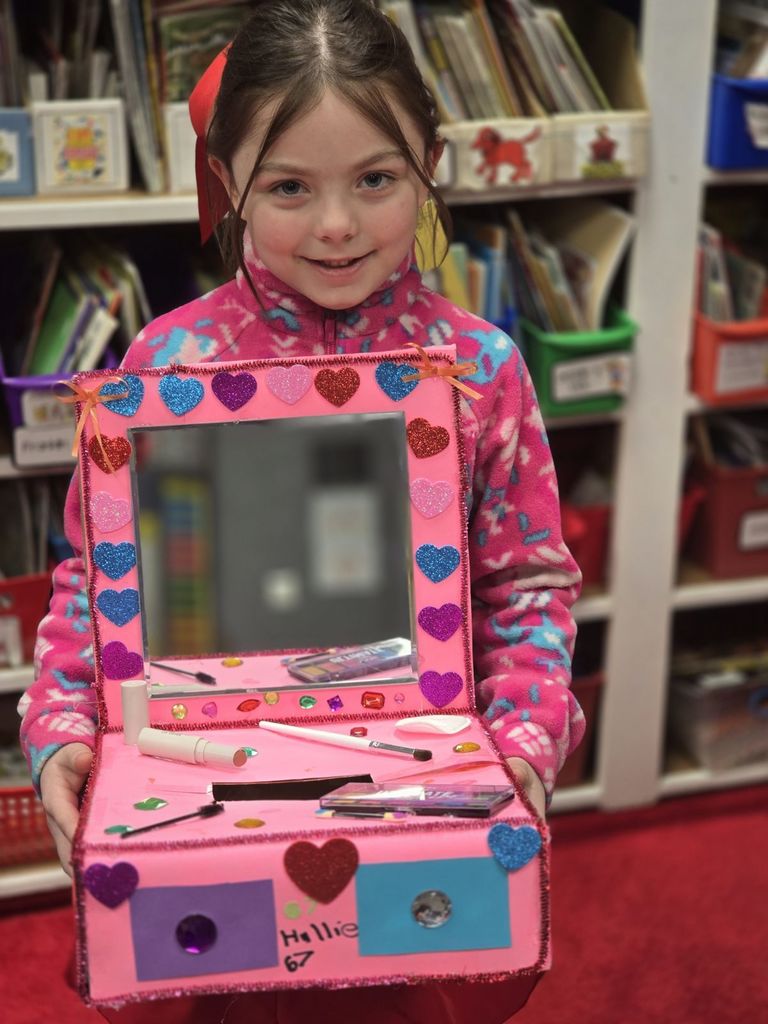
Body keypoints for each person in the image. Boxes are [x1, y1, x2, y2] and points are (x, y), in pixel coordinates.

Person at [18, 2, 584, 1020]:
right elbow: (94, 579)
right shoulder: (169, 368)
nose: (336, 224)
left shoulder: (482, 370)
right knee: (214, 980)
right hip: (204, 775)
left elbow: (527, 581)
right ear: (228, 180)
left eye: (376, 178)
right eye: (289, 186)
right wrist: (63, 726)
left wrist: (523, 739)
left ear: (428, 166)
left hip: (412, 779)